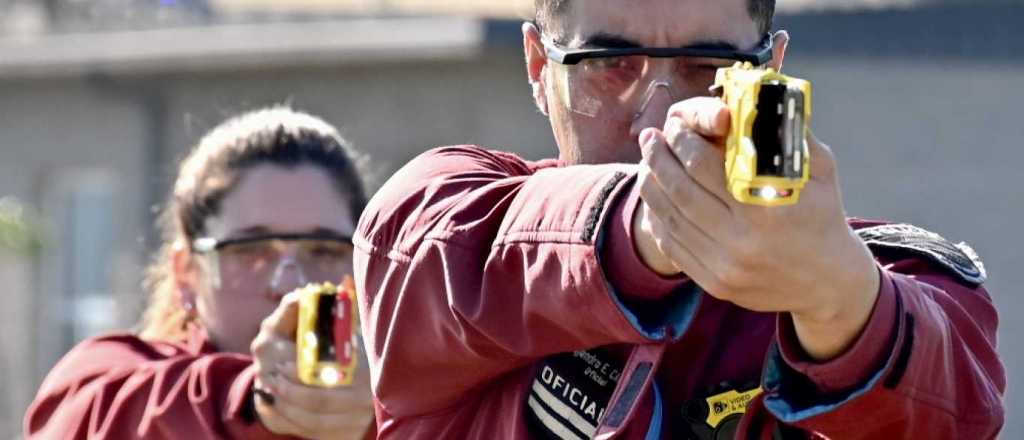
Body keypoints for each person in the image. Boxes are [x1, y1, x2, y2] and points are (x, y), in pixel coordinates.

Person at [353, 0, 1005, 438]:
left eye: (709, 67)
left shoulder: (882, 271)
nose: (658, 118)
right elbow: (438, 248)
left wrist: (835, 298)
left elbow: (951, 401)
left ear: (772, 71)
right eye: (610, 65)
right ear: (538, 66)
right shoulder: (448, 206)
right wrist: (650, 227)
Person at [25, 107, 377, 439]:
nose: (289, 284)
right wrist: (254, 404)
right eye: (250, 250)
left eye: (324, 250)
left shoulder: (400, 404)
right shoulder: (108, 385)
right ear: (186, 272)